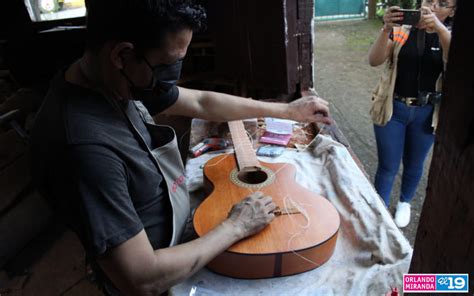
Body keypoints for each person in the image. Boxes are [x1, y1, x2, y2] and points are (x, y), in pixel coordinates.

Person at [30, 0, 332, 295]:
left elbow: (201, 102)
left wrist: (288, 112)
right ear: (122, 55)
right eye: (168, 64)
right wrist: (235, 227)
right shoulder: (83, 148)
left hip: (182, 235)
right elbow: (141, 279)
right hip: (163, 274)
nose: (172, 73)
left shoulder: (110, 78)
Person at [368, 0, 456, 227]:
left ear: (452, 11)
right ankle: (380, 211)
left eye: (442, 4)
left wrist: (438, 28)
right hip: (393, 109)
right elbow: (374, 60)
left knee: (415, 163)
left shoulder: (448, 36)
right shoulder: (402, 30)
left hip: (426, 113)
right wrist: (386, 28)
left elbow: (454, 60)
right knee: (388, 166)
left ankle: (405, 202)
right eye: (429, 0)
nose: (433, 6)